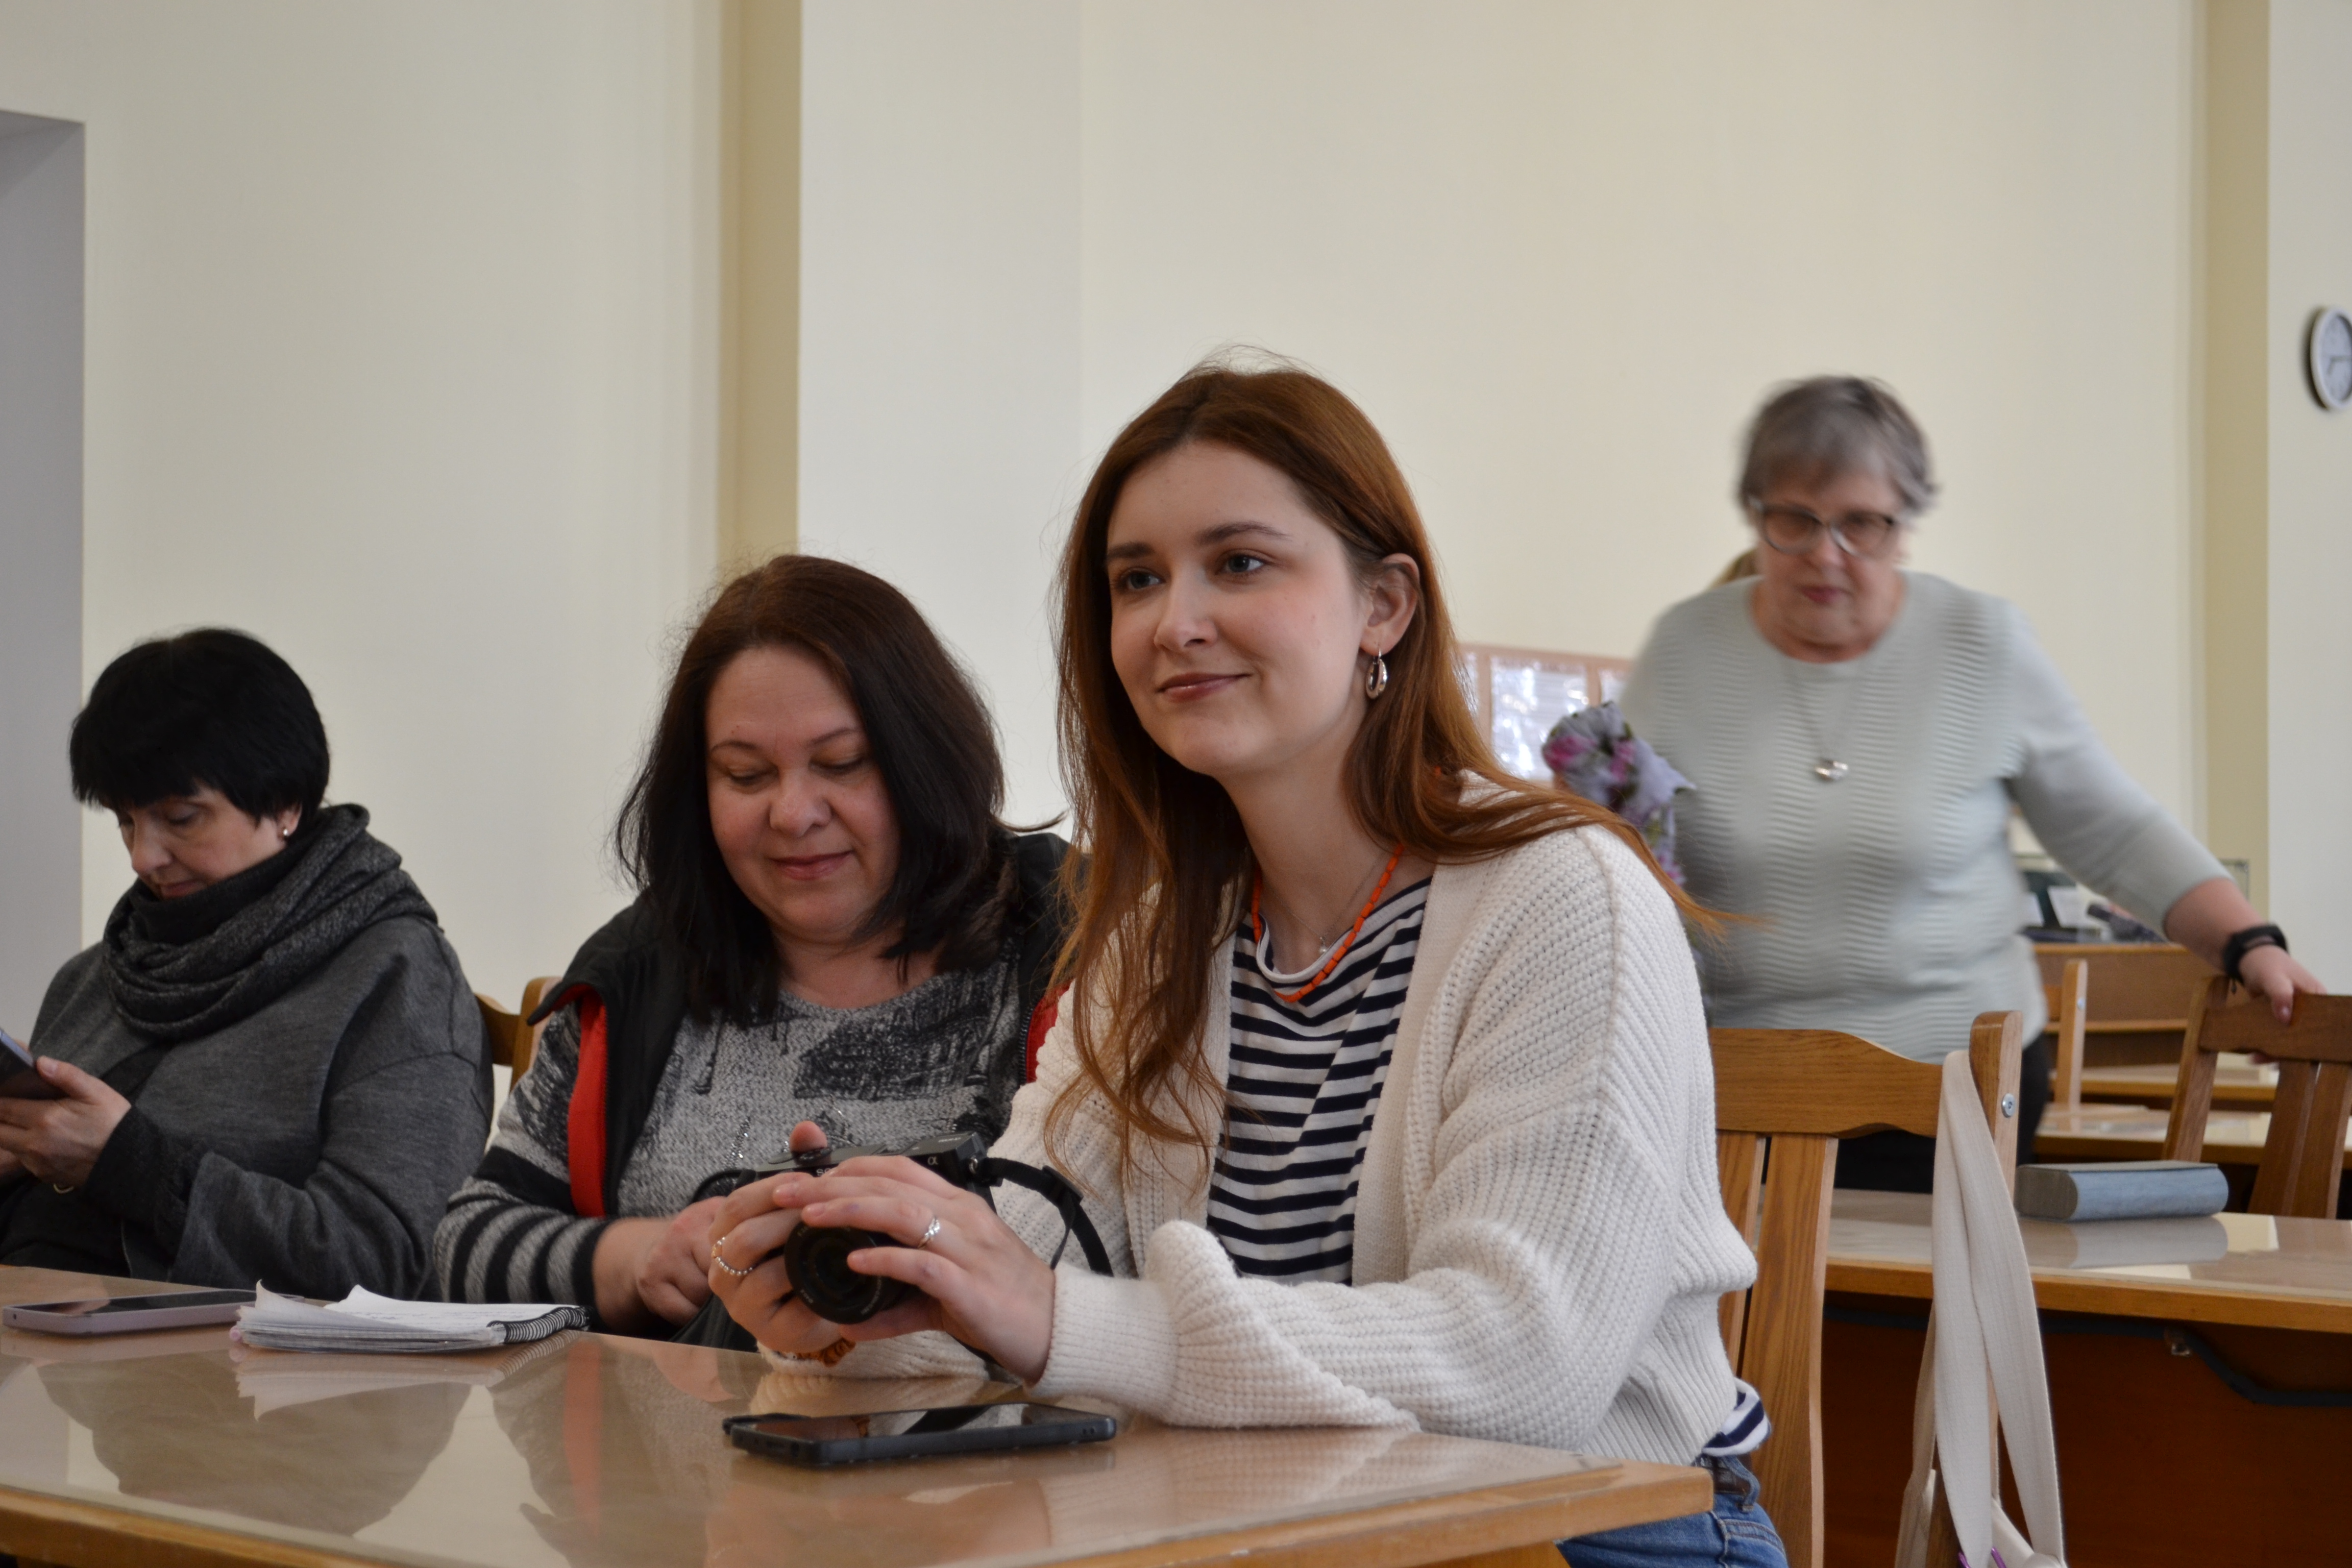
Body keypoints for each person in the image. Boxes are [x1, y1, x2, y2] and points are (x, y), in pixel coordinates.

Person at [705, 364, 1785, 1568]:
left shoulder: (1563, 898)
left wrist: (1054, 1318)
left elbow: (1524, 1369)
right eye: (1137, 580)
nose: (1175, 622)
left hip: (1598, 1535)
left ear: (1384, 605)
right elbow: (1037, 1257)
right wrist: (864, 1290)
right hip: (1272, 1528)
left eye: (1241, 563)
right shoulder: (1162, 936)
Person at [1621, 376, 2326, 1188]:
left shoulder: (1981, 644)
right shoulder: (1684, 651)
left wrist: (2249, 945)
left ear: (1906, 526)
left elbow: (2114, 830)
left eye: (1862, 523)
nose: (1826, 553)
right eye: (1795, 520)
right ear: (1755, 515)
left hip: (1958, 1084)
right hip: (1739, 1089)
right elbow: (1610, 849)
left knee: (1927, 1276)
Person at [435, 555, 1073, 1335]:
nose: (794, 813)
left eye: (842, 764)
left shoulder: (1069, 951)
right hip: (671, 1419)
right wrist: (634, 1259)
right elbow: (461, 1246)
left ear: (926, 760)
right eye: (745, 775)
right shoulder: (645, 969)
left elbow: (1124, 1272)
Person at [0, 629, 488, 1297]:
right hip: (42, 1331)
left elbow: (382, 1263)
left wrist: (134, 1167)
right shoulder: (91, 978)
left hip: (222, 1362)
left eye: (181, 817)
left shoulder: (400, 979)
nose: (143, 856)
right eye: (125, 821)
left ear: (286, 804)